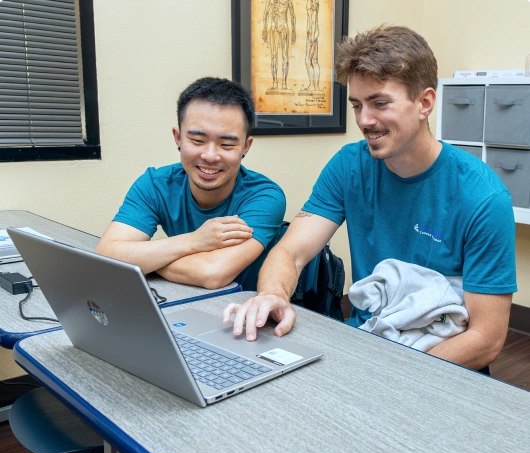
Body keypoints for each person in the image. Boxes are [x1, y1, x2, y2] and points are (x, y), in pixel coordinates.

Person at [223, 25, 517, 371]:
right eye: (356, 105)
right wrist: (272, 294)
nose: (364, 120)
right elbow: (291, 251)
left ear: (425, 102)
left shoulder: (482, 197)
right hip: (366, 340)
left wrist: (390, 373)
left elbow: (486, 339)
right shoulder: (349, 166)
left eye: (379, 103)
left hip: (440, 366)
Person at [96, 77, 286, 291]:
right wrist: (195, 240)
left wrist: (143, 262)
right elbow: (107, 256)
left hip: (251, 309)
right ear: (178, 138)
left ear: (246, 146)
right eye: (197, 141)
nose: (210, 156)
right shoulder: (155, 184)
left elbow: (212, 274)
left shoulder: (264, 197)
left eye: (226, 144)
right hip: (187, 299)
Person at [262, 0, 296, 91]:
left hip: (284, 28)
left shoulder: (288, 1)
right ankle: (275, 83)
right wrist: (265, 30)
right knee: (274, 56)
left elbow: (293, 16)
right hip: (274, 29)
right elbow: (265, 13)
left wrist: (293, 33)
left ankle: (284, 83)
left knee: (285, 57)